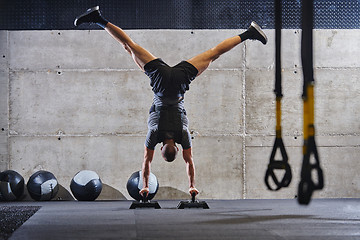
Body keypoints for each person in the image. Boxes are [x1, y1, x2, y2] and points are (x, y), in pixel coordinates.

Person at [74, 6, 267, 198]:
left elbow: (189, 162)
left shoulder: (183, 136)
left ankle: (249, 33)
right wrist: (145, 187)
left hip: (179, 83)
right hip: (161, 80)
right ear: (161, 148)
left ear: (176, 148)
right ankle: (97, 18)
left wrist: (192, 186)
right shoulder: (154, 134)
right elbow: (146, 163)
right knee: (128, 46)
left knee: (213, 54)